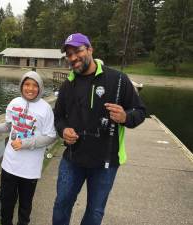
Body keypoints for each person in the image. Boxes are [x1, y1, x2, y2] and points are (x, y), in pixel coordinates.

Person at [52, 33, 146, 225]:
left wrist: (126, 117)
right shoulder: (67, 85)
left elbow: (140, 111)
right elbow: (58, 117)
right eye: (69, 54)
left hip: (106, 162)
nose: (73, 58)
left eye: (77, 51)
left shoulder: (118, 80)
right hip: (73, 159)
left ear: (90, 50)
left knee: (95, 213)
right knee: (61, 205)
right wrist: (63, 131)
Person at [0, 71, 56, 225]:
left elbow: (50, 136)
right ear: (22, 86)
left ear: (40, 88)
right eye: (27, 84)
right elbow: (9, 126)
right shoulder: (14, 103)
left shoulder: (45, 109)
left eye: (35, 85)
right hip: (9, 165)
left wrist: (26, 143)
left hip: (30, 169)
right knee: (6, 204)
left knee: (25, 206)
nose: (30, 88)